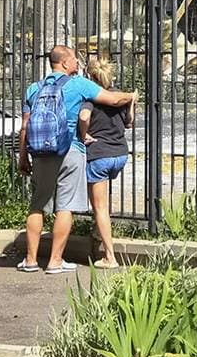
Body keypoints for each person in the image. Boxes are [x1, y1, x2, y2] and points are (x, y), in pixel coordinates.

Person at [17, 46, 136, 274]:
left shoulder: (34, 89)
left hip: (41, 153)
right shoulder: (78, 84)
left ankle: (30, 260)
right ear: (64, 63)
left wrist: (23, 157)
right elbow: (111, 99)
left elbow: (24, 126)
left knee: (37, 205)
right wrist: (130, 96)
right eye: (73, 59)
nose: (77, 64)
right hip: (70, 150)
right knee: (66, 206)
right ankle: (55, 261)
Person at [78, 56, 133, 269]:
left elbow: (83, 117)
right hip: (119, 153)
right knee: (102, 201)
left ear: (90, 76)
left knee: (100, 207)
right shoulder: (118, 96)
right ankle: (97, 230)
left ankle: (110, 256)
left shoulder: (91, 97)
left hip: (99, 154)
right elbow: (129, 122)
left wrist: (84, 134)